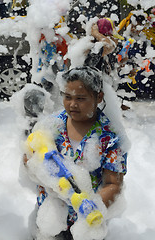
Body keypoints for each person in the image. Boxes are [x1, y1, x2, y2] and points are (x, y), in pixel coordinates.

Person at [24, 66, 127, 239]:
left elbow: (113, 184)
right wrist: (34, 164)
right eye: (67, 97)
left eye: (81, 98)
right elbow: (29, 160)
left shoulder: (109, 137)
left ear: (98, 97)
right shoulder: (52, 125)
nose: (72, 104)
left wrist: (90, 208)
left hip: (85, 226)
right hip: (50, 216)